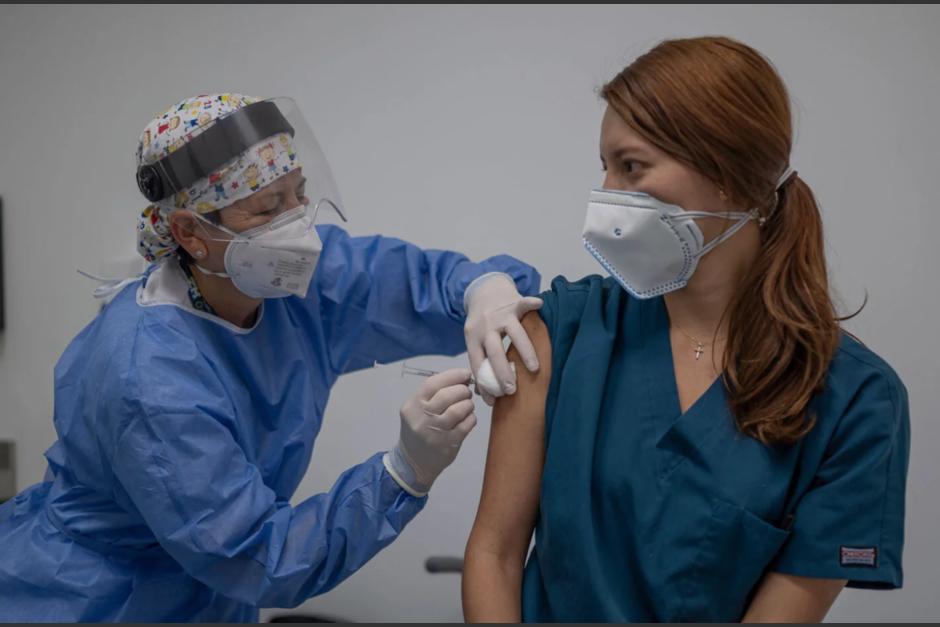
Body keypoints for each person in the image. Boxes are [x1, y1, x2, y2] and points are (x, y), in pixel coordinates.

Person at [0, 93, 543, 622]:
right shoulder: (149, 376)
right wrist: (401, 473)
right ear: (191, 233)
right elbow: (257, 555)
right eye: (268, 207)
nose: (298, 226)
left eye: (298, 194)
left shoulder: (293, 284)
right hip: (103, 600)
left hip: (213, 598)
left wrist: (485, 289)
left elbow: (416, 283)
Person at [463, 37, 910, 622]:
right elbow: (494, 554)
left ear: (732, 175)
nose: (607, 197)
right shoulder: (562, 332)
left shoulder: (856, 400)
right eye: (604, 167)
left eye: (631, 166)